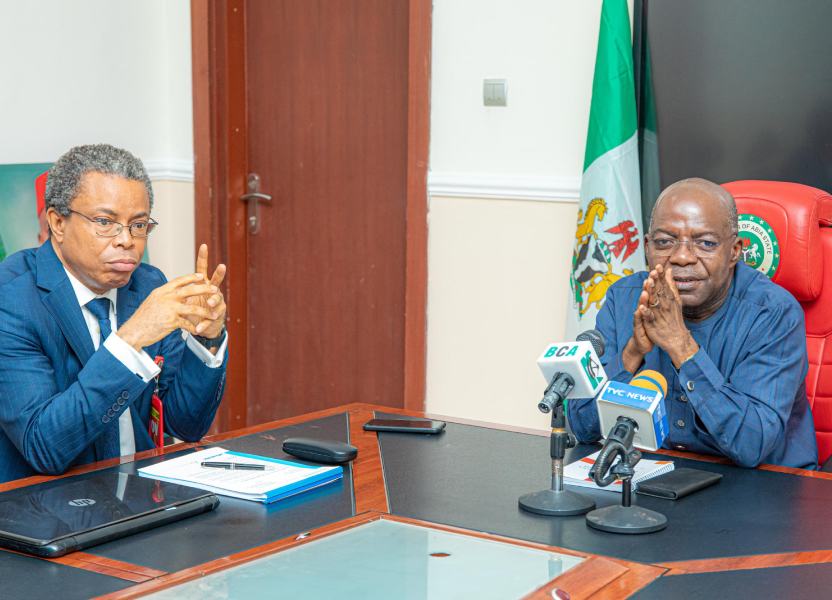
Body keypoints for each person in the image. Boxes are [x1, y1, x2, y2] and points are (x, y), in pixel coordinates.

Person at [0, 144, 229, 483]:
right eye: (106, 222)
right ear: (58, 223)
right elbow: (44, 446)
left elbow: (186, 424)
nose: (127, 240)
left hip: (139, 496)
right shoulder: (13, 300)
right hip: (47, 511)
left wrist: (206, 339)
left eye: (138, 225)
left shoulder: (148, 285)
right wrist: (131, 338)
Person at [568, 177, 818, 469]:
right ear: (648, 248)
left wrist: (680, 344)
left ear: (735, 251)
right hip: (655, 474)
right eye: (664, 242)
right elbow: (583, 428)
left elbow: (753, 444)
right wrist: (633, 352)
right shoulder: (624, 299)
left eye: (705, 243)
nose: (682, 257)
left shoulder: (773, 313)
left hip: (764, 485)